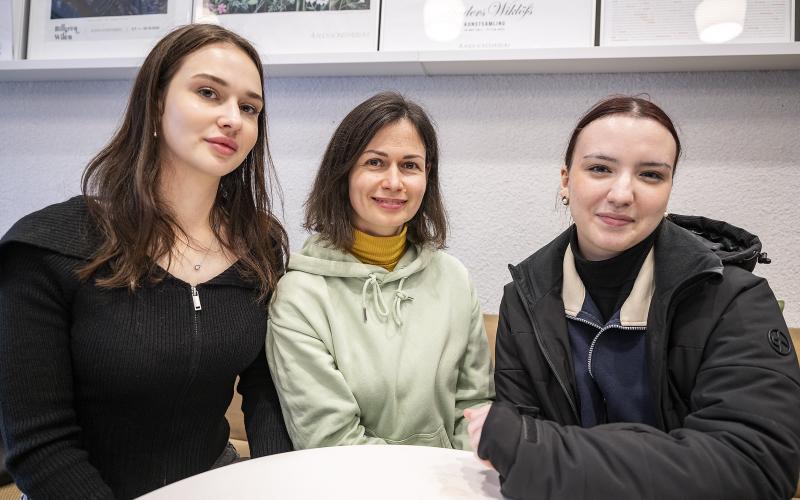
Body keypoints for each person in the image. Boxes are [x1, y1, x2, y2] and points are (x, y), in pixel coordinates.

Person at [0, 24, 292, 499]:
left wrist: (278, 485)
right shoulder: (45, 248)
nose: (232, 119)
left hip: (216, 482)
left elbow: (265, 388)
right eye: (207, 93)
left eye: (249, 107)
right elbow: (38, 444)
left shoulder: (260, 246)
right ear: (156, 103)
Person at [465, 95, 800, 499]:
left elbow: (756, 470)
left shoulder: (733, 300)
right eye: (600, 168)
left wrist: (536, 449)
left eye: (651, 175)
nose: (622, 193)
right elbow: (512, 465)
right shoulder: (524, 300)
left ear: (669, 188)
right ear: (566, 180)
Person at [266, 91, 494, 450]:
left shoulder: (454, 279)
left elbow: (474, 406)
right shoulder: (300, 296)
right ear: (343, 172)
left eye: (409, 165)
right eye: (375, 163)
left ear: (426, 175)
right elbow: (333, 440)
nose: (394, 182)